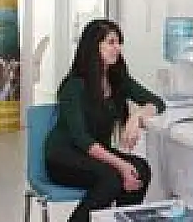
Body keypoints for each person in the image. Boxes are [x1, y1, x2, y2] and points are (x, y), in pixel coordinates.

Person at [45, 19, 166, 222]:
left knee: (141, 169)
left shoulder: (118, 80)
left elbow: (157, 102)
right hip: (63, 157)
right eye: (111, 42)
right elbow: (82, 139)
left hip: (95, 155)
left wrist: (136, 117)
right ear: (93, 46)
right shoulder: (74, 86)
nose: (118, 48)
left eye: (119, 42)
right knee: (113, 177)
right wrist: (121, 165)